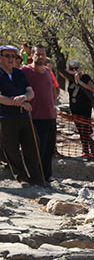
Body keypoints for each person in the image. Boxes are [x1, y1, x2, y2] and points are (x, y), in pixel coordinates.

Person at [0, 45, 44, 187]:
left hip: (24, 116)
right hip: (6, 117)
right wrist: (18, 103)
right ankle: (21, 177)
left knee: (32, 145)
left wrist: (24, 97)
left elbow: (31, 92)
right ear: (1, 58)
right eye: (7, 56)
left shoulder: (19, 73)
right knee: (11, 149)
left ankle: (36, 178)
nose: (11, 59)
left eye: (13, 56)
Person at [22, 45, 58, 183]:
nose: (41, 57)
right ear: (32, 55)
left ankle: (46, 177)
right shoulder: (25, 71)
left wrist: (53, 106)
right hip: (34, 117)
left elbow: (53, 89)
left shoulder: (48, 71)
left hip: (50, 116)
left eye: (43, 54)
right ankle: (35, 177)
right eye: (38, 54)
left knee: (49, 149)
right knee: (37, 150)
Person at [65, 60, 94, 158]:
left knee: (87, 129)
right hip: (74, 108)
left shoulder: (85, 77)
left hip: (85, 108)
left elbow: (93, 89)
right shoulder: (70, 79)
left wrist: (80, 82)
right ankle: (85, 150)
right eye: (72, 68)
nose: (74, 70)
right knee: (80, 130)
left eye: (76, 68)